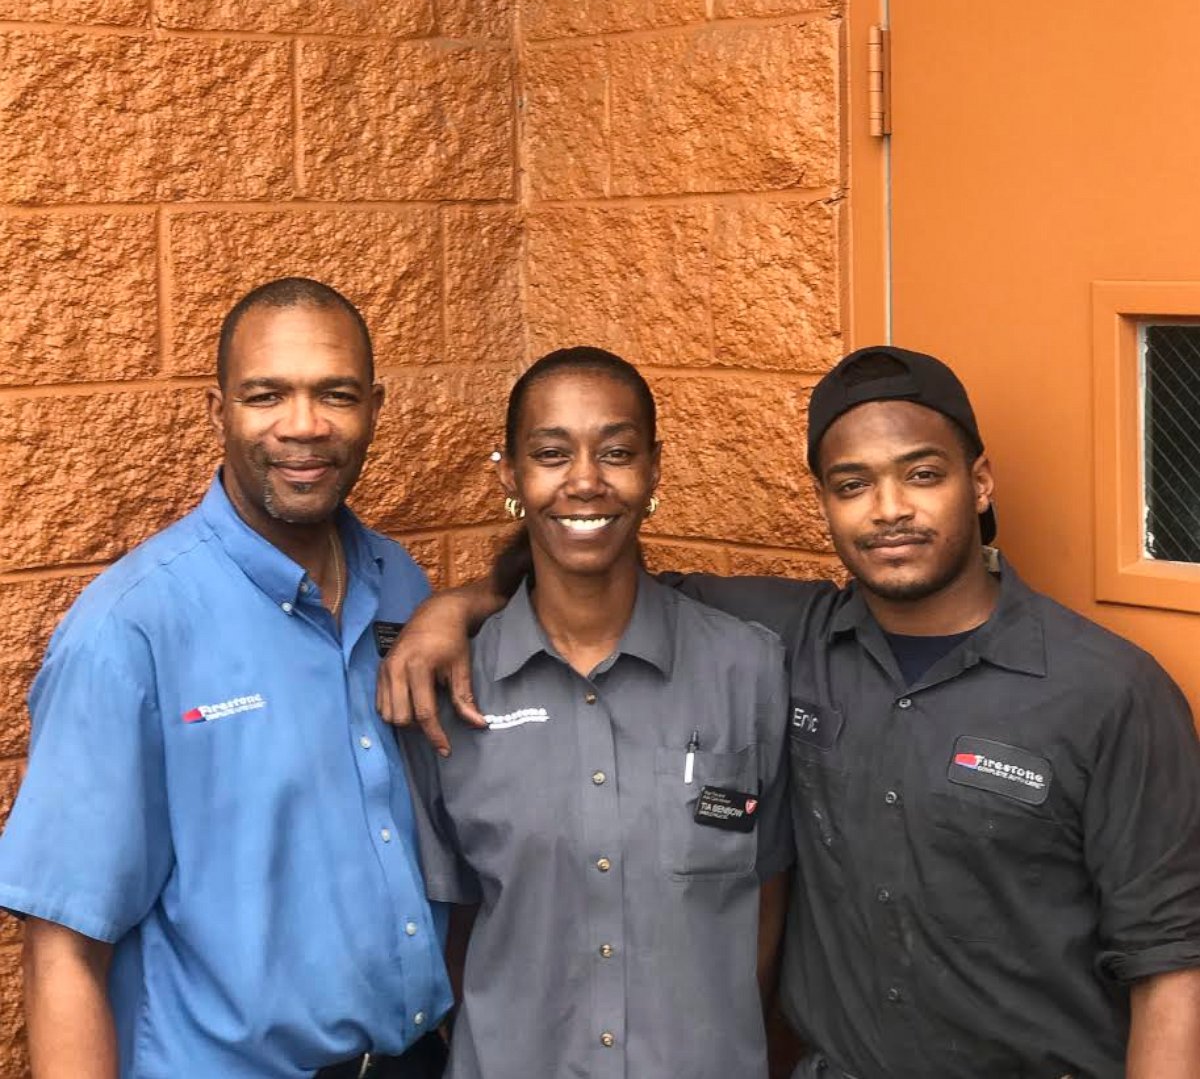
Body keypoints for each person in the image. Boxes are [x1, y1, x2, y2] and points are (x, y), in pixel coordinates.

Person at [379, 345, 1200, 1079]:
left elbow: (1172, 963)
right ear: (824, 500)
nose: (889, 509)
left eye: (921, 473)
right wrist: (453, 609)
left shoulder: (1108, 689)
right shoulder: (790, 641)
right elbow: (587, 571)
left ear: (978, 481)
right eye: (853, 484)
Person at [0, 278, 452, 1079]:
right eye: (266, 394)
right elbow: (62, 950)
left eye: (336, 394)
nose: (303, 426)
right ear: (219, 413)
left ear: (375, 407)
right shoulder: (129, 630)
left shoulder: (400, 585)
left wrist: (474, 600)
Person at [400, 347, 792, 1079]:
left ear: (654, 470)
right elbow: (448, 921)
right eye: (552, 453)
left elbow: (765, 894)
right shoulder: (452, 690)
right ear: (511, 476)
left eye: (616, 451)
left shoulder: (748, 668)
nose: (584, 480)